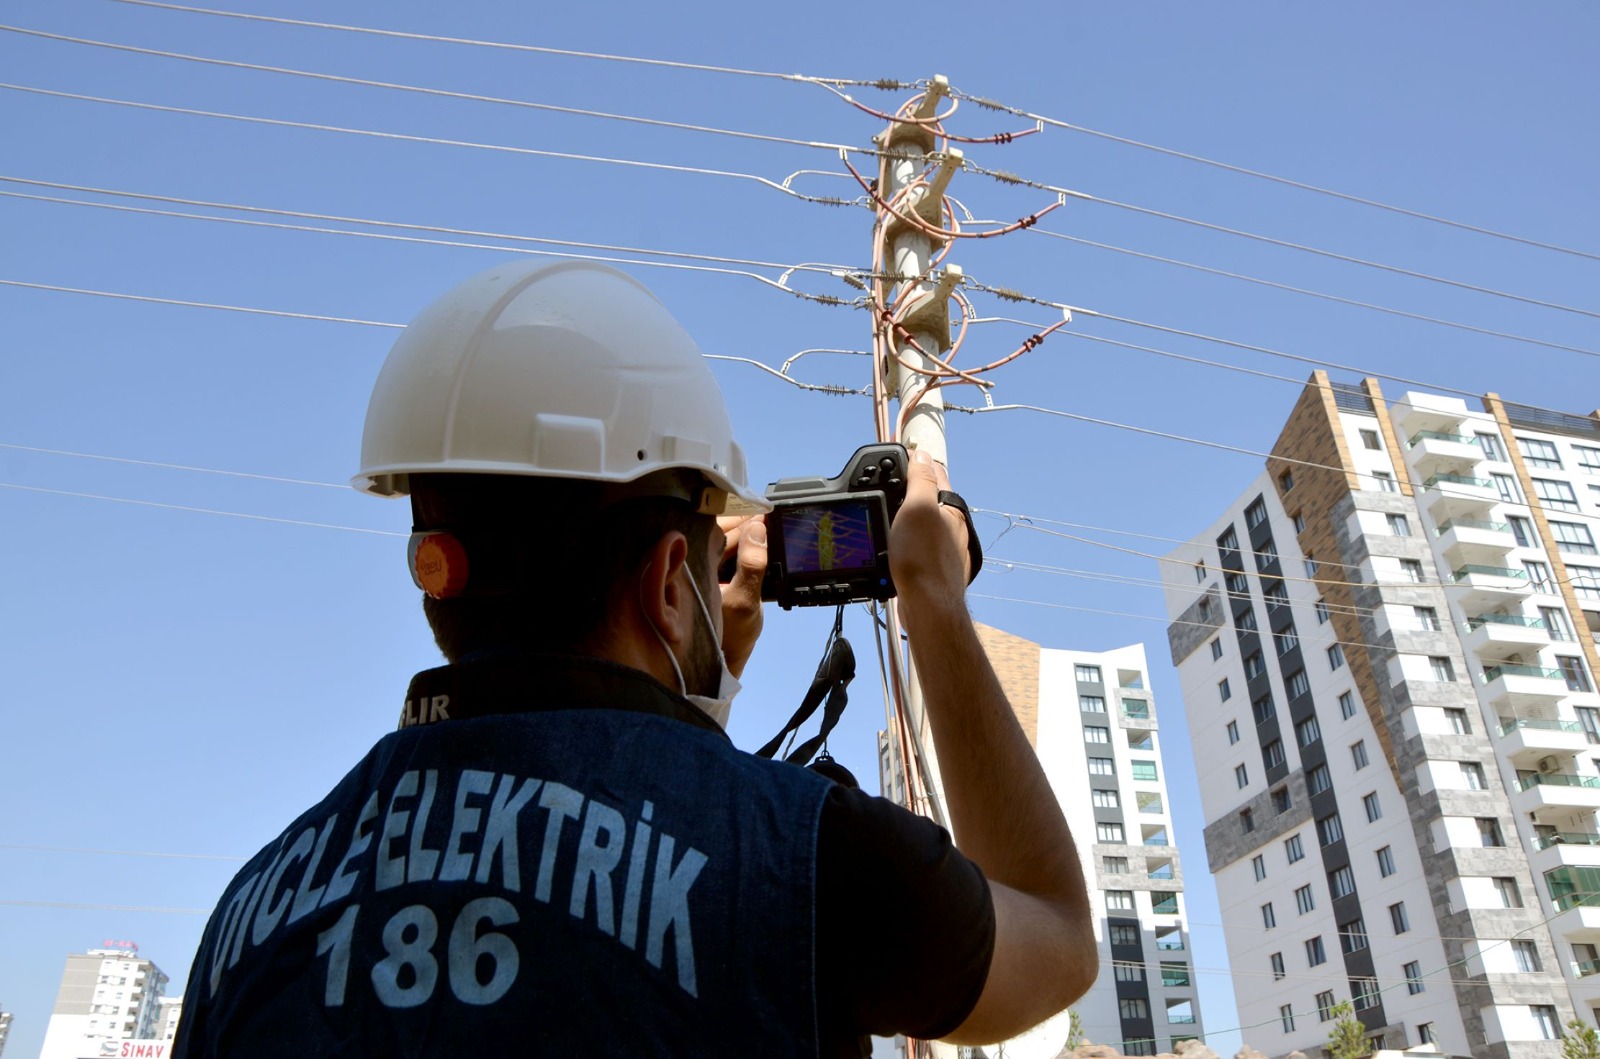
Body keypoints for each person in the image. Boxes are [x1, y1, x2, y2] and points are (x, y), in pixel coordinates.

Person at [172, 260, 1094, 1058]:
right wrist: (933, 596)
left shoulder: (250, 912)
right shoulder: (809, 862)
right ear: (665, 581)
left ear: (436, 565)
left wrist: (697, 706)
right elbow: (1054, 936)